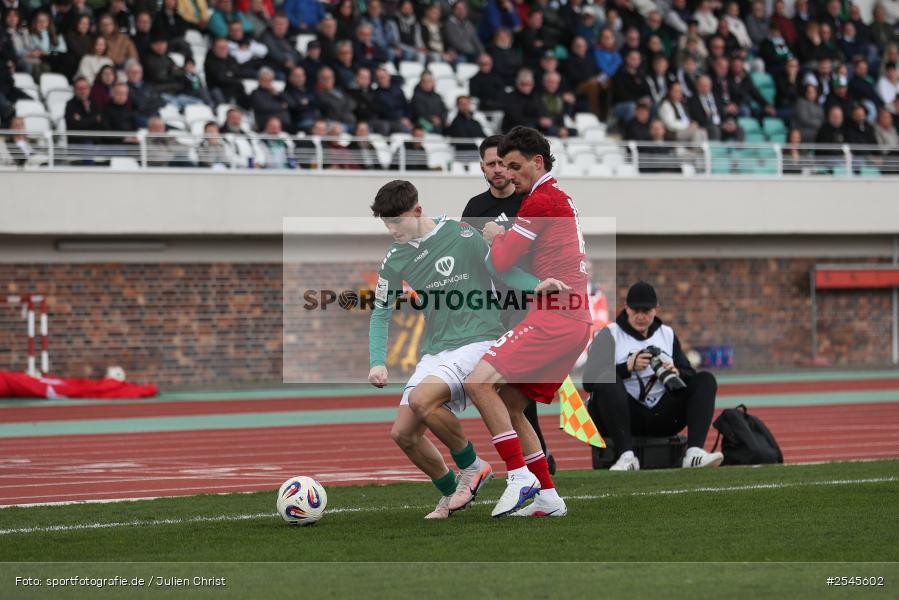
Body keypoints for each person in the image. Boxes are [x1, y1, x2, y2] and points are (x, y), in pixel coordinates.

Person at [368, 180, 537, 519]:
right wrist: (377, 361)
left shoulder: (463, 234)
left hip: (479, 339)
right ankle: (450, 493)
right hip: (437, 350)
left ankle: (472, 467)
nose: (392, 229)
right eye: (386, 223)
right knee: (403, 434)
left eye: (397, 221)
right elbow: (381, 310)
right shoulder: (395, 258)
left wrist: (539, 286)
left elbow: (504, 270)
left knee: (422, 399)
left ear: (417, 211)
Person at [462, 126, 593, 518]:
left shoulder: (539, 201)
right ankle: (548, 497)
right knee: (512, 404)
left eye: (515, 166)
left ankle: (519, 476)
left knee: (477, 383)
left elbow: (501, 264)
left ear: (538, 162)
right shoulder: (556, 197)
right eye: (502, 166)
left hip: (556, 315)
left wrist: (494, 236)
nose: (510, 174)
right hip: (572, 317)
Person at [461, 135, 557, 475]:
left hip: (529, 303)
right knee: (504, 391)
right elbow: (472, 261)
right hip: (493, 307)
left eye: (504, 163)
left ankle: (534, 464)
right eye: (491, 164)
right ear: (483, 168)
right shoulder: (473, 209)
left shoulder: (529, 200)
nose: (499, 170)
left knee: (512, 389)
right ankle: (538, 460)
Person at [582, 281, 724, 471]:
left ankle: (694, 453)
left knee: (706, 379)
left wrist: (676, 371)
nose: (641, 316)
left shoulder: (667, 334)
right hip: (621, 418)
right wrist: (627, 368)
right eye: (635, 310)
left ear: (656, 309)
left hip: (661, 415)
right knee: (608, 378)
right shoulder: (609, 334)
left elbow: (690, 374)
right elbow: (589, 381)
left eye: (646, 311)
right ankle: (626, 456)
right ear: (626, 308)